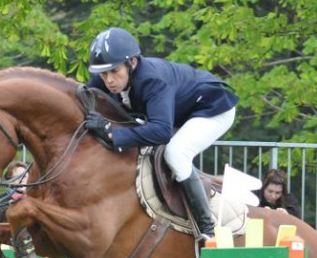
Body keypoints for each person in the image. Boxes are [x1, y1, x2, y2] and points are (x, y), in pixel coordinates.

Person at [83, 27, 239, 243]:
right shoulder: (108, 76)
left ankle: (207, 229)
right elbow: (83, 96)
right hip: (180, 113)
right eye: (103, 74)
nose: (108, 80)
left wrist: (112, 135)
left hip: (213, 108)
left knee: (176, 154)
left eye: (114, 71)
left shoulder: (152, 80)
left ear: (133, 63)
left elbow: (162, 131)